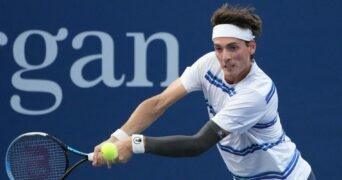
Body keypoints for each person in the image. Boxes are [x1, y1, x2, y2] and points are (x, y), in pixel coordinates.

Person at [93, 4, 316, 180]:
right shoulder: (209, 64)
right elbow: (159, 103)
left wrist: (134, 144)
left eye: (233, 47)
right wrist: (116, 138)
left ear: (251, 47)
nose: (224, 57)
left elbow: (197, 144)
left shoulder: (256, 93)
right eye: (218, 48)